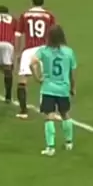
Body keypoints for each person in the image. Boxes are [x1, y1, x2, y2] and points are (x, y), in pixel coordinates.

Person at [30, 25, 77, 156]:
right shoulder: (69, 52)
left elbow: (32, 63)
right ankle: (69, 142)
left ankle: (50, 147)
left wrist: (37, 77)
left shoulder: (44, 51)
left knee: (49, 116)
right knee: (65, 114)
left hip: (48, 89)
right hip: (63, 88)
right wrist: (73, 87)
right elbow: (72, 73)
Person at [14, 0, 55, 119]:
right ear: (43, 2)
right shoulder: (49, 16)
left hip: (29, 50)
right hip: (44, 50)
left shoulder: (25, 15)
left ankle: (23, 111)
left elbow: (18, 35)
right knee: (46, 79)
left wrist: (18, 52)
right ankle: (47, 108)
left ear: (32, 1)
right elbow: (54, 34)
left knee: (22, 80)